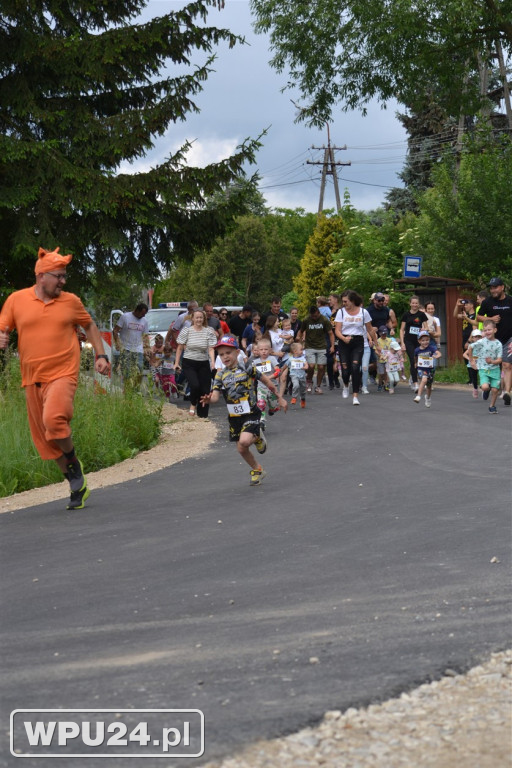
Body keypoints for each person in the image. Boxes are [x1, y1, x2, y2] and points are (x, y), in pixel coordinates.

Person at [0, 246, 110, 510]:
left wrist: (100, 355)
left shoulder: (71, 301)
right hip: (31, 379)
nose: (63, 281)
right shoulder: (17, 300)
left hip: (63, 373)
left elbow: (90, 325)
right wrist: (2, 334)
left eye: (64, 276)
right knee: (48, 440)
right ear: (41, 276)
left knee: (54, 419)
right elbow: (4, 325)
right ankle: (76, 482)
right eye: (58, 276)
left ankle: (72, 460)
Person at [200, 335, 287, 486]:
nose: (225, 356)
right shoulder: (220, 375)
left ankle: (257, 435)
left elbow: (266, 381)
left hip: (251, 412)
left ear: (237, 352)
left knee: (245, 440)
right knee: (241, 448)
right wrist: (209, 400)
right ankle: (257, 469)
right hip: (234, 416)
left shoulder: (247, 367)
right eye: (221, 354)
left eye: (228, 352)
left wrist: (279, 397)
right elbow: (215, 397)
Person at [335, 290, 379, 406]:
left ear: (352, 300)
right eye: (343, 301)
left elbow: (370, 330)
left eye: (346, 301)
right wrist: (343, 339)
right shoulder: (341, 312)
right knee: (345, 370)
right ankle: (345, 385)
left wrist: (376, 345)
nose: (344, 303)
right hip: (344, 342)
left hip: (358, 341)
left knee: (355, 367)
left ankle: (355, 396)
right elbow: (337, 330)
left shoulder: (363, 312)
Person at [174, 309, 217, 417]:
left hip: (203, 362)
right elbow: (179, 348)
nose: (199, 319)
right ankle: (193, 404)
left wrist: (213, 362)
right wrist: (176, 363)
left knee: (205, 389)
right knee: (195, 385)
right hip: (189, 362)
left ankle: (203, 415)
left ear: (204, 319)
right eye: (197, 317)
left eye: (201, 317)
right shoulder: (187, 331)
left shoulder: (208, 331)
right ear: (192, 318)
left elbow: (211, 349)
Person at [477, 278, 512, 406]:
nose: (493, 290)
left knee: (507, 365)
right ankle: (488, 387)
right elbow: (479, 317)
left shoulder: (510, 300)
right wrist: (490, 318)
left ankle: (507, 393)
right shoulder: (487, 302)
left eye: (495, 287)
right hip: (492, 340)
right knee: (492, 366)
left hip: (509, 339)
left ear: (502, 287)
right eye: (491, 288)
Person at [298, 305, 335, 395]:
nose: (314, 317)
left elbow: (330, 333)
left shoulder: (324, 320)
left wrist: (332, 346)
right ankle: (309, 381)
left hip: (322, 346)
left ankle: (318, 386)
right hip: (310, 346)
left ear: (318, 313)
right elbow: (301, 331)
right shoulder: (307, 320)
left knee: (321, 367)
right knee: (311, 366)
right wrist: (299, 343)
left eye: (315, 316)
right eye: (312, 316)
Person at [468, 320, 503, 414]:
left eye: (489, 330)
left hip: (495, 369)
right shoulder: (482, 341)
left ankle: (492, 406)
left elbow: (500, 360)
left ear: (495, 330)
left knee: (495, 390)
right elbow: (470, 347)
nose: (487, 332)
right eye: (485, 330)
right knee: (484, 387)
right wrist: (471, 361)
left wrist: (492, 361)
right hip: (483, 368)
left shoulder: (498, 344)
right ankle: (486, 390)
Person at [112, 302, 150, 386]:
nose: (143, 316)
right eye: (142, 314)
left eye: (145, 314)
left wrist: (147, 347)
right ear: (137, 310)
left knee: (139, 369)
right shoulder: (125, 317)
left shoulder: (144, 321)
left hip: (138, 349)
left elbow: (145, 336)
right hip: (126, 348)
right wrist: (117, 342)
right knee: (127, 372)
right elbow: (115, 330)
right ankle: (128, 389)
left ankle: (136, 389)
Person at [399, 296, 428, 392]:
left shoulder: (422, 314)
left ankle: (416, 379)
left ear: (418, 304)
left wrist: (424, 329)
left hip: (419, 341)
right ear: (410, 303)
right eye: (413, 303)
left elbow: (427, 327)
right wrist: (402, 343)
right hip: (408, 340)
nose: (415, 305)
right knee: (413, 360)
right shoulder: (406, 315)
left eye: (416, 303)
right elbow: (402, 329)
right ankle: (416, 384)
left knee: (420, 361)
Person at [413, 330, 442, 407]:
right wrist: (415, 363)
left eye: (427, 340)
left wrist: (437, 356)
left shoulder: (431, 348)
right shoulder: (417, 350)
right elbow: (415, 358)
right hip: (421, 368)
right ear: (419, 341)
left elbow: (439, 353)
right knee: (424, 379)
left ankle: (428, 397)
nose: (425, 342)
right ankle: (418, 396)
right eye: (423, 340)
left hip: (430, 369)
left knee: (429, 386)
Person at [148, 334, 176, 401]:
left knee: (162, 379)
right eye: (159, 343)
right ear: (155, 342)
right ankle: (157, 388)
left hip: (161, 365)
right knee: (156, 379)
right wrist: (154, 353)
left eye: (161, 342)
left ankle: (162, 389)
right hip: (154, 365)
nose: (160, 344)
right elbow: (150, 354)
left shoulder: (163, 347)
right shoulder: (153, 348)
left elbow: (168, 349)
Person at [462, 328, 483, 399]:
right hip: (472, 365)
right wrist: (470, 359)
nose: (477, 338)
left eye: (479, 337)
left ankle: (483, 387)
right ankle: (475, 389)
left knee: (482, 375)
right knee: (474, 377)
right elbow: (464, 354)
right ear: (473, 338)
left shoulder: (483, 345)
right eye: (475, 337)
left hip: (480, 363)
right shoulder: (471, 346)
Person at [288, 341, 308, 408]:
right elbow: (285, 366)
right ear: (295, 351)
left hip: (302, 375)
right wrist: (280, 371)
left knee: (303, 389)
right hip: (294, 374)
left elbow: (306, 365)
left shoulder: (303, 358)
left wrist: (305, 367)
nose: (302, 351)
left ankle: (303, 399)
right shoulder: (290, 359)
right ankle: (294, 397)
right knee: (296, 385)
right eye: (301, 349)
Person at [375, 325, 392, 391]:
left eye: (385, 333)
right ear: (379, 333)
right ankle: (380, 384)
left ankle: (386, 384)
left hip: (388, 359)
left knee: (386, 372)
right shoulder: (378, 341)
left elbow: (392, 349)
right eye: (382, 334)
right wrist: (380, 355)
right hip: (380, 359)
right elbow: (376, 350)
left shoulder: (389, 340)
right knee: (381, 373)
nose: (384, 335)